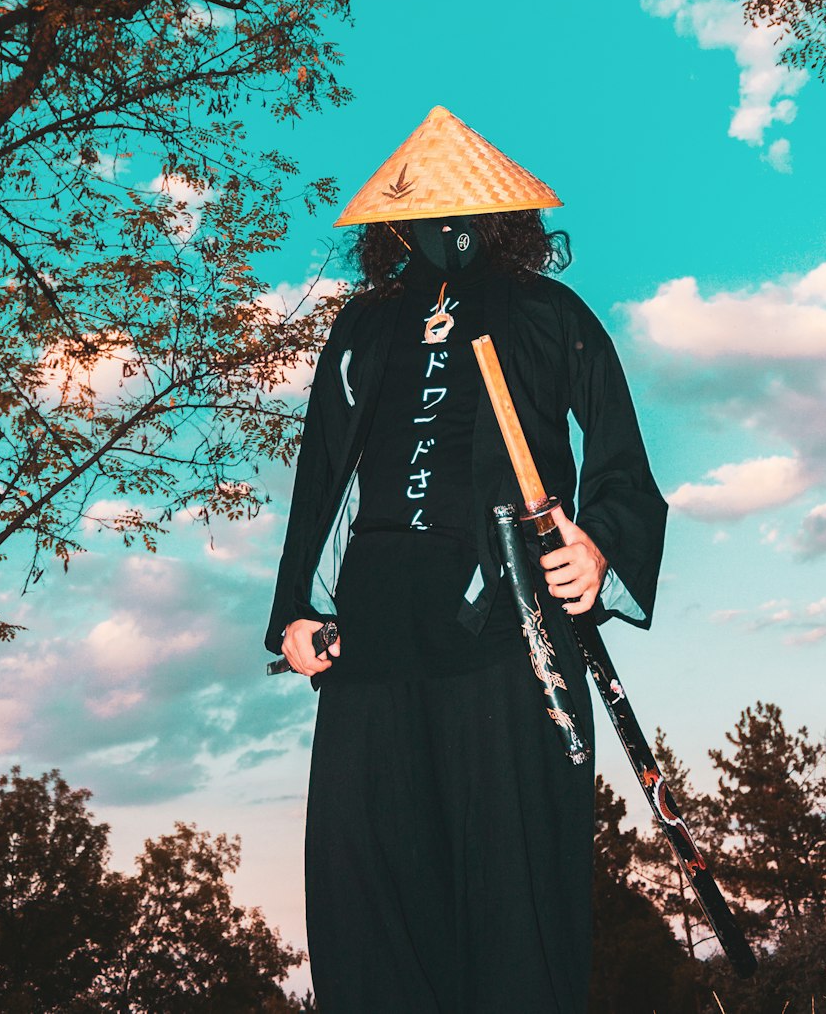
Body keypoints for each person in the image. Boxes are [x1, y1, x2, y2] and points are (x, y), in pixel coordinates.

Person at [264, 106, 667, 1014]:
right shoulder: (362, 328)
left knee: (516, 891)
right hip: (372, 637)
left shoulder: (553, 316)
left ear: (496, 213)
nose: (443, 225)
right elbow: (320, 477)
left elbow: (622, 466)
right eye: (422, 207)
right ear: (393, 222)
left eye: (461, 205)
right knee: (365, 887)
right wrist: (294, 608)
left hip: (512, 633)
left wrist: (597, 547)